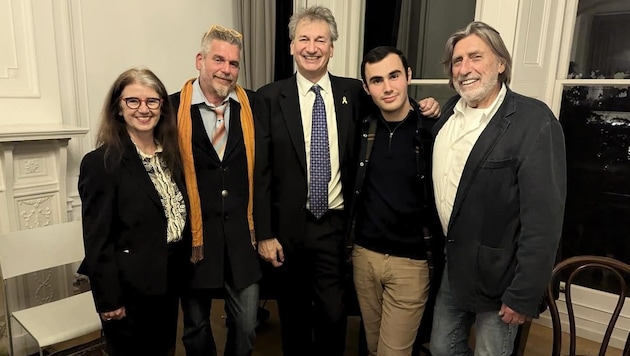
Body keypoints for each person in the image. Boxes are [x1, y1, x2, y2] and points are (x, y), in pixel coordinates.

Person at [257, 6, 439, 356]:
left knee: (334, 316)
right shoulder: (268, 97)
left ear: (332, 48)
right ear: (292, 46)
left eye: (320, 40)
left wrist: (424, 105)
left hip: (337, 227)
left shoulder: (354, 92)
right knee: (293, 318)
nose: (312, 47)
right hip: (288, 230)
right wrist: (265, 233)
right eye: (304, 39)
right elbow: (261, 171)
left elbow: (391, 100)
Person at [429, 21, 566, 356]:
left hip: (502, 278)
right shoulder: (448, 113)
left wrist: (523, 294)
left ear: (501, 63)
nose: (464, 68)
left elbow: (543, 221)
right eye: (457, 61)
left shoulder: (534, 122)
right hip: (455, 265)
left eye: (475, 56)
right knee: (441, 348)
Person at [171, 25, 271, 356]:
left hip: (243, 239)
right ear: (200, 60)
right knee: (196, 328)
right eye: (219, 60)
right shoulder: (171, 111)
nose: (227, 70)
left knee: (246, 326)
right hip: (195, 243)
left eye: (234, 63)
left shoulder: (256, 106)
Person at [78, 68, 189, 356]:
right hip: (128, 291)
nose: (144, 109)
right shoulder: (101, 163)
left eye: (152, 101)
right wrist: (109, 300)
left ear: (162, 106)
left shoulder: (171, 155)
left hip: (167, 280)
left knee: (164, 350)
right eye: (133, 101)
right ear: (118, 107)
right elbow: (96, 240)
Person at [350, 46, 441, 356]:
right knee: (374, 348)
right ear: (366, 88)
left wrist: (432, 107)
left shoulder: (431, 132)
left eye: (394, 76)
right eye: (377, 81)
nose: (387, 88)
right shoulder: (361, 128)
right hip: (364, 258)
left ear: (408, 76)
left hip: (411, 264)